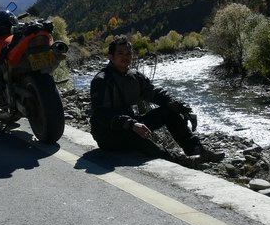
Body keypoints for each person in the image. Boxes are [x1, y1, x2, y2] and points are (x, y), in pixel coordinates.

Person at [90, 36, 224, 167]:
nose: (125, 56)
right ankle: (180, 160)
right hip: (107, 134)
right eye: (120, 53)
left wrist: (180, 107)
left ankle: (197, 150)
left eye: (128, 53)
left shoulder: (134, 76)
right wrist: (132, 124)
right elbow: (101, 115)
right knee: (139, 139)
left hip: (131, 124)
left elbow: (155, 94)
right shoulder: (101, 80)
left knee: (169, 111)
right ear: (111, 57)